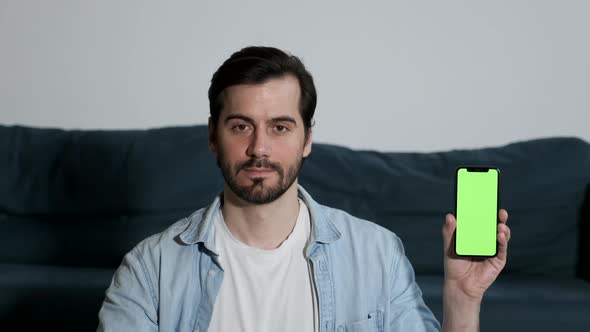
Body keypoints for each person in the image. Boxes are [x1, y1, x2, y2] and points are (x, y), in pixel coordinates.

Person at [97, 46, 511, 332]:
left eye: (280, 127)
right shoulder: (149, 270)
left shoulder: (378, 255)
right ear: (212, 136)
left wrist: (462, 298)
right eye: (241, 126)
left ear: (307, 139)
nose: (259, 148)